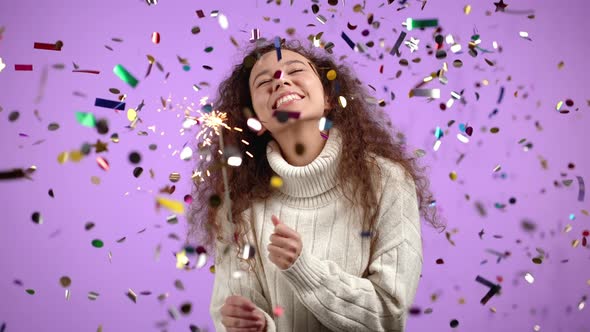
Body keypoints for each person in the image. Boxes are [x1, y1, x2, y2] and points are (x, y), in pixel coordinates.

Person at [186, 38, 444, 332]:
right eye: (263, 81)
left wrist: (303, 269)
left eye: (295, 71)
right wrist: (252, 326)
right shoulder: (237, 207)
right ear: (257, 119)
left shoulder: (388, 181)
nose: (281, 80)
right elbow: (230, 315)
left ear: (329, 98)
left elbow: (388, 315)